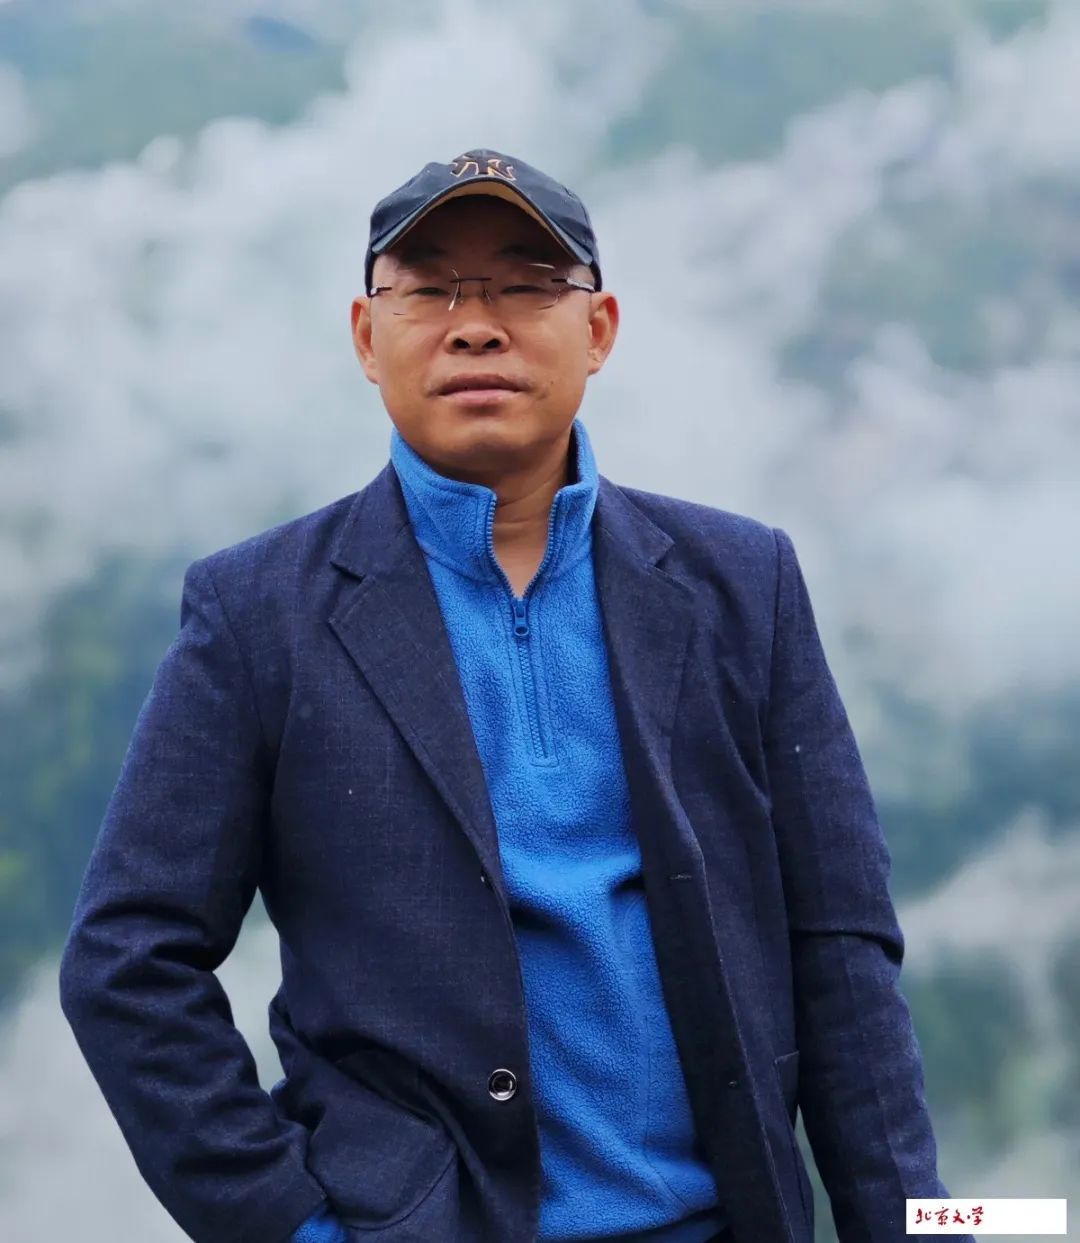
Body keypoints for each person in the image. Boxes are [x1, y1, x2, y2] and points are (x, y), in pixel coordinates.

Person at [58, 147, 972, 1243]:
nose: (476, 326)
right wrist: (294, 1225)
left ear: (599, 329)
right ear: (367, 337)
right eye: (431, 288)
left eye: (527, 285)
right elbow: (127, 960)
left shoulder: (742, 584)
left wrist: (925, 1228)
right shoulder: (260, 613)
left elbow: (840, 948)